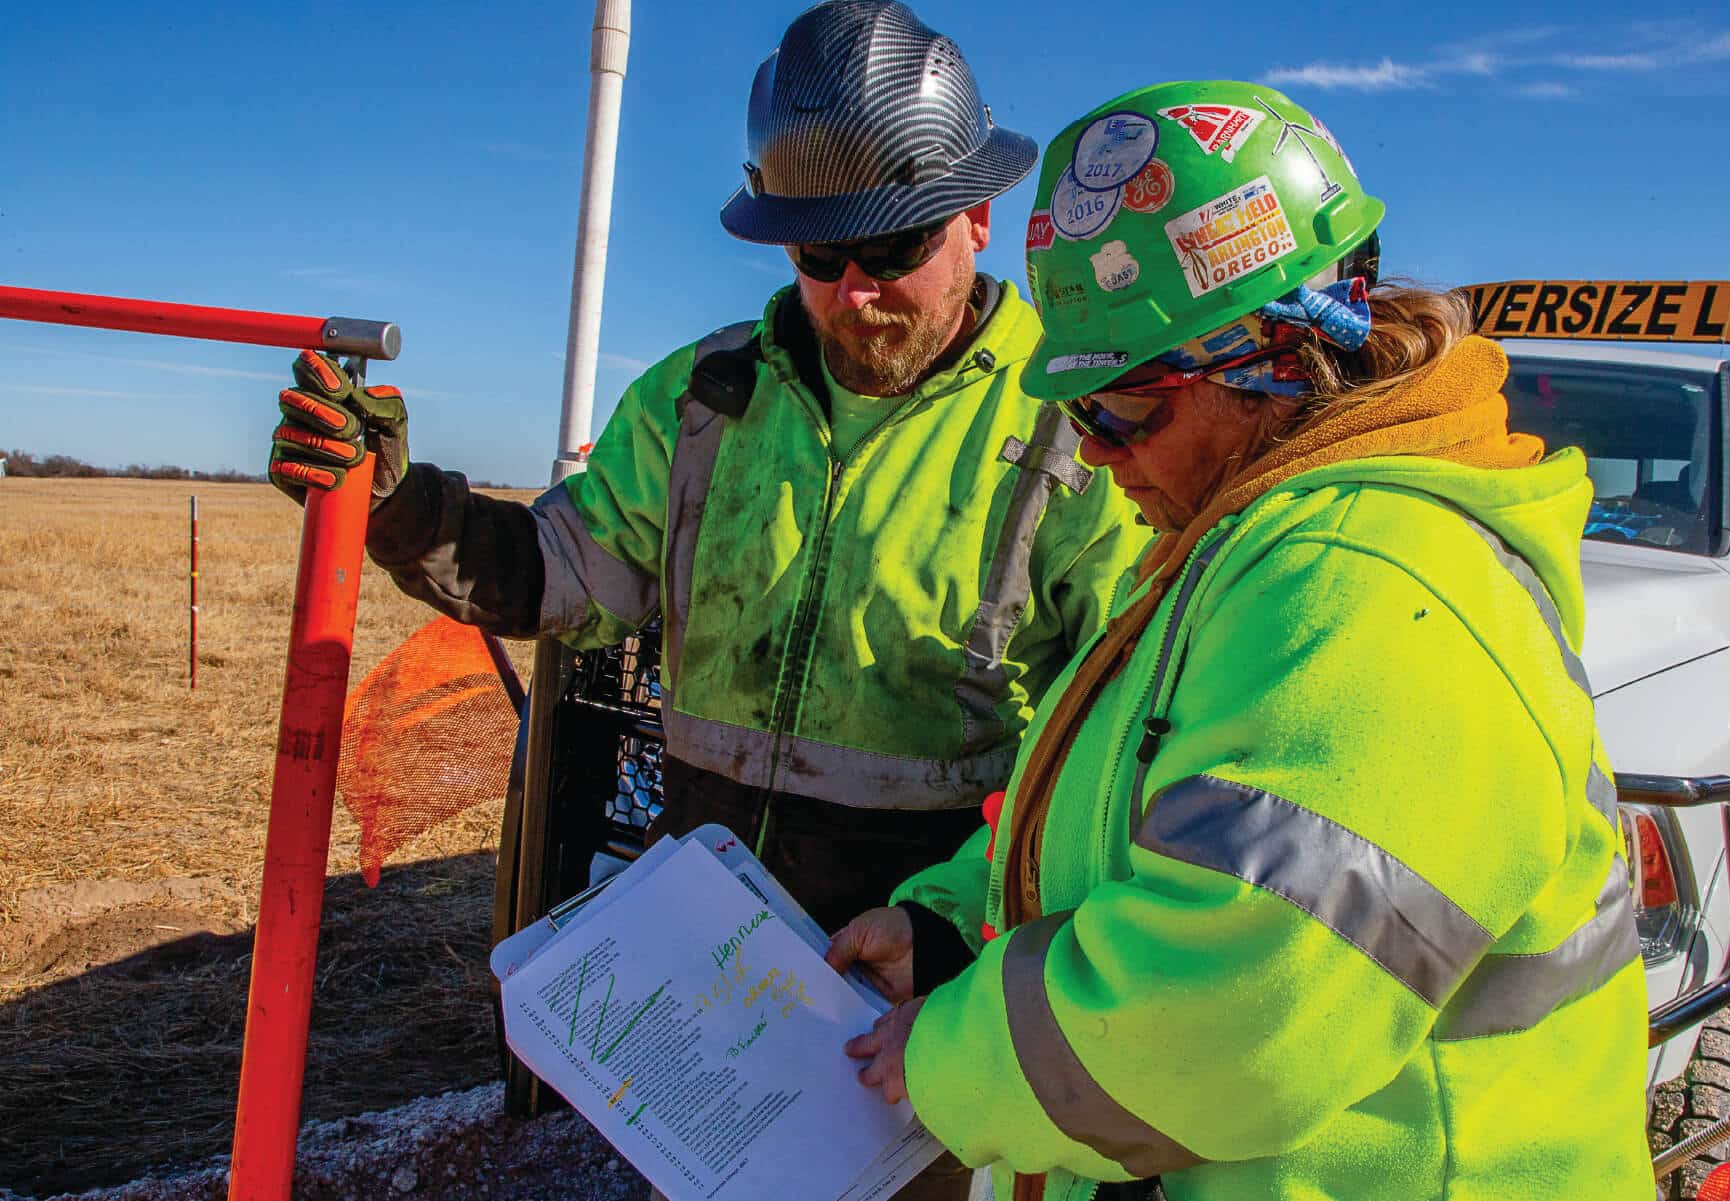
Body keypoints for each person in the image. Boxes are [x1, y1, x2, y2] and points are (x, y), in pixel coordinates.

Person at [829, 80, 1656, 1201]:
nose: (1099, 454)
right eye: (1079, 416)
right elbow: (1140, 807)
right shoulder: (1247, 547)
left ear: (1280, 359)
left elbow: (1230, 1014)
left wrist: (947, 1058)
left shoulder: (1375, 585)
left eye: (1127, 410)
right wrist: (948, 935)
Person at [268, 0, 1140, 1053]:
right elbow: (555, 576)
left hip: (926, 990)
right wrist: (399, 502)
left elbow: (1117, 753)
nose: (856, 293)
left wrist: (955, 933)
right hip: (707, 962)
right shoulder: (702, 401)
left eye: (891, 246)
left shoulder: (1083, 428)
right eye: (820, 257)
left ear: (978, 216)